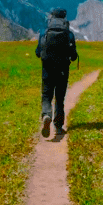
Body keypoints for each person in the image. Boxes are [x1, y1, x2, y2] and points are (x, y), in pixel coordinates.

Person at [35, 8, 78, 137]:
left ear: (52, 18)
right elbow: (74, 56)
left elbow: (38, 52)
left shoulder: (45, 31)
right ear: (64, 18)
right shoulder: (69, 34)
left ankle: (46, 115)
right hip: (63, 71)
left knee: (47, 95)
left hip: (47, 69)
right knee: (59, 98)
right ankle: (58, 126)